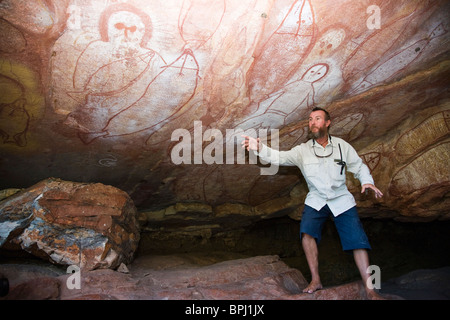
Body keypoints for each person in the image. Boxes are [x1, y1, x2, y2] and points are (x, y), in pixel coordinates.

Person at [242, 107, 384, 299]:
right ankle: (316, 280)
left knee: (358, 241)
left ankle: (370, 290)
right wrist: (260, 148)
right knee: (307, 232)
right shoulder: (303, 150)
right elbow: (280, 157)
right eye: (310, 120)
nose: (313, 123)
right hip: (316, 198)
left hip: (341, 199)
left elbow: (358, 166)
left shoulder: (342, 146)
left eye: (318, 119)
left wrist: (367, 180)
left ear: (327, 123)